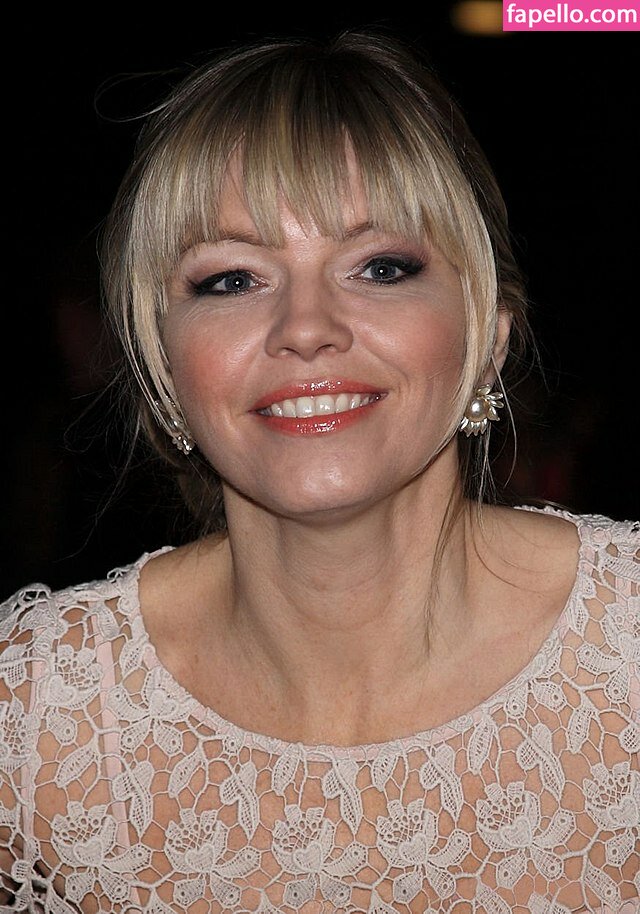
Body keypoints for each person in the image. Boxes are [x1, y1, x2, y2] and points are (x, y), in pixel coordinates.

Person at [0, 30, 637, 914]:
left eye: (381, 267)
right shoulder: (39, 721)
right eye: (232, 280)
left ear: (488, 340)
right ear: (162, 367)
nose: (306, 327)